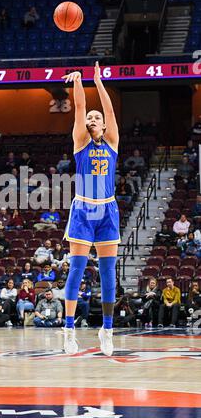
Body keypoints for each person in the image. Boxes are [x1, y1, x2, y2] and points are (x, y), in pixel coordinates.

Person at [61, 62, 120, 356]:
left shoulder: (111, 141)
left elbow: (108, 111)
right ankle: (69, 329)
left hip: (107, 210)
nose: (93, 118)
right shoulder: (80, 141)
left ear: (105, 125)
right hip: (83, 210)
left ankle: (107, 330)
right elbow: (80, 107)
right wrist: (80, 81)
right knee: (77, 269)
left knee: (109, 273)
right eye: (90, 117)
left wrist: (99, 82)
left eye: (98, 117)